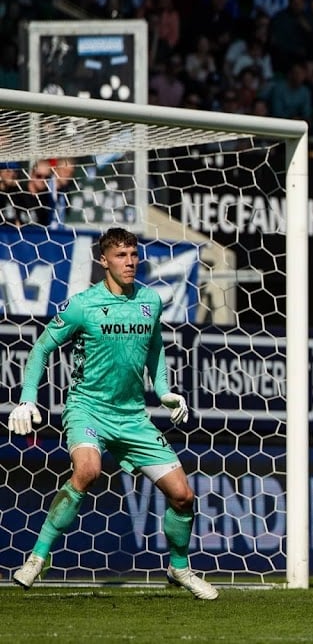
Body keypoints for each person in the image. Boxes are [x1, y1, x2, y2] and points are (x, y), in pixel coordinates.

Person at [8, 228, 217, 600]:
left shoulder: (150, 301)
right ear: (103, 260)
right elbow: (41, 348)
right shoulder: (83, 305)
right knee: (87, 470)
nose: (130, 262)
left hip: (132, 416)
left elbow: (154, 347)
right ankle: (37, 558)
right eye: (121, 256)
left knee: (183, 496)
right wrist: (27, 399)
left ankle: (180, 568)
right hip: (87, 408)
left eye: (134, 255)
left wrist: (164, 390)